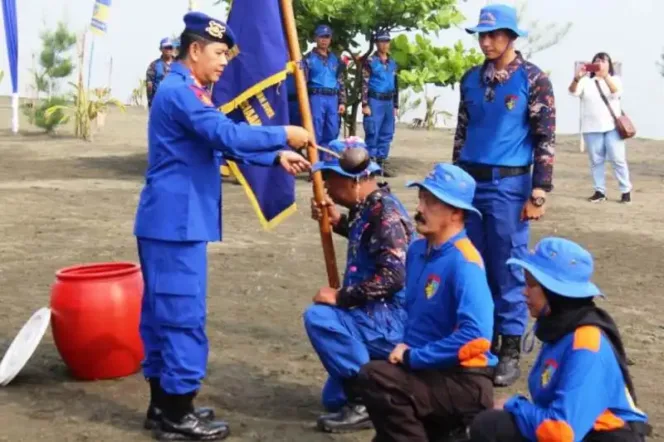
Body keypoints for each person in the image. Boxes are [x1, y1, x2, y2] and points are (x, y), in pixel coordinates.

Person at [134, 11, 312, 441]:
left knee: (163, 316)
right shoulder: (181, 93)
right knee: (180, 316)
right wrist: (282, 134)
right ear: (194, 50)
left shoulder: (186, 90)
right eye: (218, 53)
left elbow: (214, 145)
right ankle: (179, 413)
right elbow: (226, 135)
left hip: (170, 221)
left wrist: (274, 157)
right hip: (177, 224)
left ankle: (164, 405)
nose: (224, 63)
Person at [453, 3, 555, 387]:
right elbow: (461, 133)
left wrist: (540, 191)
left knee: (508, 268)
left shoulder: (534, 79)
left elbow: (545, 138)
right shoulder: (469, 80)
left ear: (512, 36)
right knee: (472, 265)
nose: (487, 41)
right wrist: (453, 186)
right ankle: (483, 343)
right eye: (482, 34)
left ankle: (510, 348)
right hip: (469, 184)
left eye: (494, 34)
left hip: (510, 186)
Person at [357, 163, 497, 442]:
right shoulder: (417, 250)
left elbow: (478, 338)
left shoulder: (464, 262)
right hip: (427, 371)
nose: (420, 208)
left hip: (464, 378)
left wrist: (414, 357)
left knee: (375, 376)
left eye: (431, 202)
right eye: (421, 198)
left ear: (456, 212)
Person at [469, 237, 652, 442]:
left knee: (491, 426)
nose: (524, 291)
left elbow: (562, 432)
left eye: (531, 283)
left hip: (604, 437)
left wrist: (514, 404)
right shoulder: (560, 329)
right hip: (581, 433)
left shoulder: (586, 343)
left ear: (554, 291)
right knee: (492, 425)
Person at [303, 137, 415, 433]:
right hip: (373, 314)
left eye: (329, 179)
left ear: (352, 181)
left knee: (319, 317)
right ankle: (378, 386)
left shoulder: (386, 215)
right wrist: (337, 222)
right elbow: (365, 237)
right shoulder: (369, 209)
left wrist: (342, 297)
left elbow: (393, 277)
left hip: (388, 319)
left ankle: (366, 402)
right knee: (333, 398)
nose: (326, 187)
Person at [569, 52, 632, 204]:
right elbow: (572, 91)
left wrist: (605, 76)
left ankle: (625, 191)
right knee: (596, 160)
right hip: (591, 127)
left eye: (603, 61)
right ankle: (599, 191)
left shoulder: (615, 79)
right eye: (596, 61)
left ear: (609, 64)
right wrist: (577, 77)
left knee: (617, 159)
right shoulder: (586, 81)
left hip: (612, 127)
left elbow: (616, 92)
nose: (599, 63)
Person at [362, 30, 399, 177]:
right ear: (376, 43)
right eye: (381, 41)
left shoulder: (393, 63)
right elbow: (364, 83)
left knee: (387, 132)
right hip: (375, 100)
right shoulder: (370, 62)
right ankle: (370, 164)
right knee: (372, 131)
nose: (384, 44)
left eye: (387, 41)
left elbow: (396, 84)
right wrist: (365, 104)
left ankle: (382, 163)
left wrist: (396, 105)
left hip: (388, 101)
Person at [303, 24, 346, 147]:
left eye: (327, 37)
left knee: (332, 129)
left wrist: (342, 102)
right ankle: (315, 161)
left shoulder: (336, 59)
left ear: (330, 39)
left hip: (333, 98)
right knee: (315, 129)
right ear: (315, 38)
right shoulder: (307, 59)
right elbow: (302, 82)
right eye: (321, 37)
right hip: (316, 97)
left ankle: (328, 160)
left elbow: (340, 80)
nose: (324, 40)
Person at [146, 37, 175, 108]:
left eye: (170, 47)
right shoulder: (154, 65)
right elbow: (149, 85)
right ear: (161, 49)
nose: (168, 50)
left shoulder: (180, 64)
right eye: (166, 47)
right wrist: (150, 102)